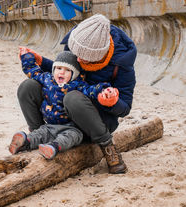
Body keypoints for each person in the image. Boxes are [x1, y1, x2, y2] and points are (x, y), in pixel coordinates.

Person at [17, 14, 137, 174]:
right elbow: (66, 73)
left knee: (73, 97)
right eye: (76, 53)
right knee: (28, 86)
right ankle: (40, 135)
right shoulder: (79, 41)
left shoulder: (121, 66)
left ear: (98, 56)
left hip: (96, 122)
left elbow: (125, 108)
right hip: (61, 116)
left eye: (85, 58)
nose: (78, 60)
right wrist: (41, 61)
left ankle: (109, 148)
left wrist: (112, 102)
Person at [9, 49, 113, 160]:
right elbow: (32, 71)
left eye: (67, 70)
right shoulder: (47, 79)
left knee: (71, 137)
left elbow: (91, 90)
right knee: (40, 133)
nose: (61, 72)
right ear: (53, 69)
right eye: (58, 68)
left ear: (74, 74)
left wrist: (104, 89)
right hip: (50, 126)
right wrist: (27, 56)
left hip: (71, 127)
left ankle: (52, 147)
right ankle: (24, 141)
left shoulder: (77, 85)